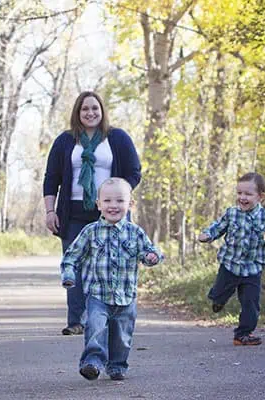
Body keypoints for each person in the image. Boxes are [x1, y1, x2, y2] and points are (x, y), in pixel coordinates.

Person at [43, 91, 142, 336]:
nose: (90, 113)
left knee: (112, 265)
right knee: (74, 264)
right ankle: (76, 320)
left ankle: (112, 316)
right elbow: (51, 178)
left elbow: (134, 171)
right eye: (85, 109)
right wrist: (49, 210)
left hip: (110, 213)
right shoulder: (65, 141)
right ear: (78, 113)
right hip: (73, 212)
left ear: (102, 111)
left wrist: (118, 194)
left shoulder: (116, 138)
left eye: (95, 108)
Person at [61, 177, 163, 381]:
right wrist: (69, 275)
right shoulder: (90, 232)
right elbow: (71, 256)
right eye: (107, 201)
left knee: (122, 337)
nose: (113, 205)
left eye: (119, 200)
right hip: (98, 294)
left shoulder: (135, 232)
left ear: (130, 204)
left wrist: (153, 257)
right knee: (95, 328)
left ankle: (117, 365)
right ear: (98, 204)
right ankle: (93, 362)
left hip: (126, 296)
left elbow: (148, 252)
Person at [198, 172, 265, 346]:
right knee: (219, 292)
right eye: (239, 193)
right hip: (230, 263)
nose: (242, 197)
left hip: (253, 267)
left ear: (260, 196)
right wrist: (208, 235)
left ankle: (242, 334)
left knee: (251, 302)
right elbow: (218, 227)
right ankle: (218, 300)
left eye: (248, 194)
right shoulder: (231, 213)